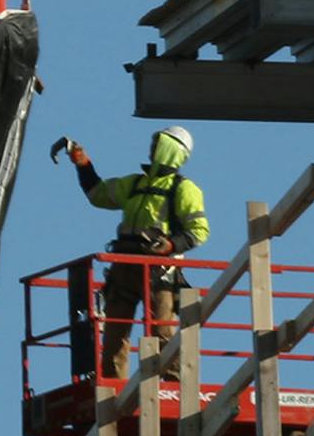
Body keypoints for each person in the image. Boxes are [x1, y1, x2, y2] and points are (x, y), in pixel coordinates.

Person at [67, 126, 209, 379]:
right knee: (115, 331)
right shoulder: (134, 184)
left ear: (170, 150)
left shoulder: (184, 189)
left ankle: (174, 386)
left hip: (159, 270)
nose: (152, 149)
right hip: (125, 265)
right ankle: (112, 385)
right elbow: (98, 195)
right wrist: (83, 165)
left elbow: (199, 231)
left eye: (157, 145)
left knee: (162, 331)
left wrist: (171, 245)